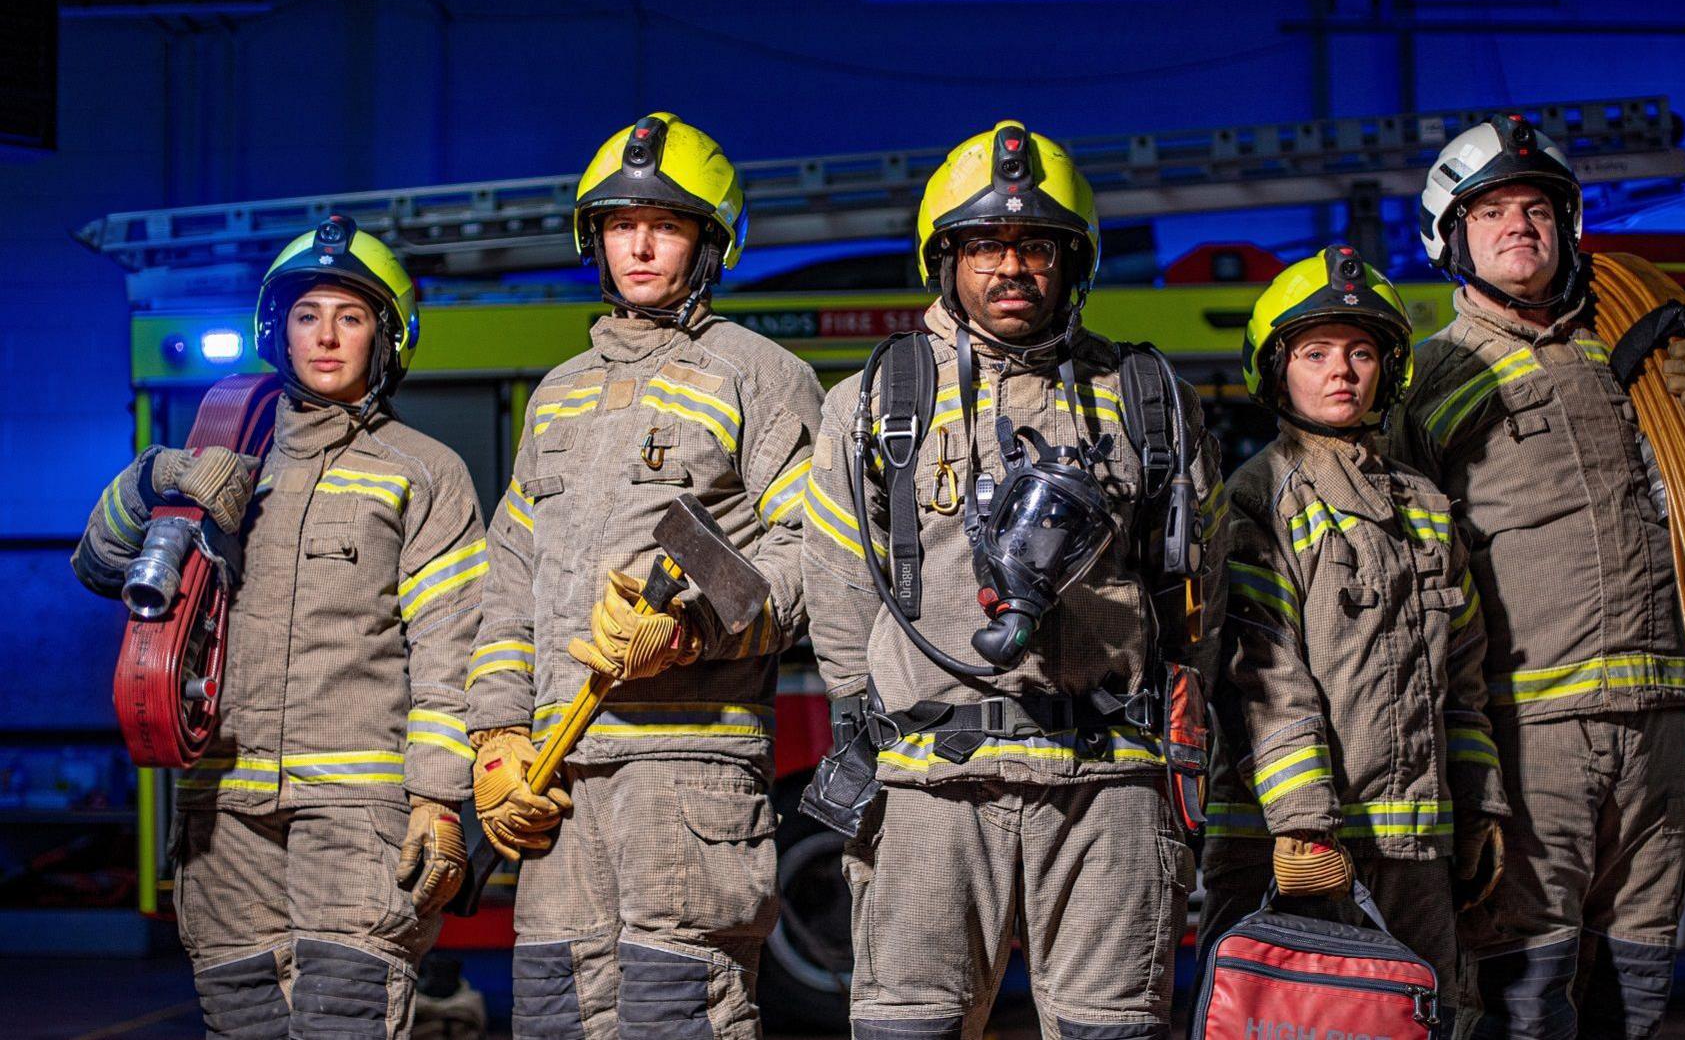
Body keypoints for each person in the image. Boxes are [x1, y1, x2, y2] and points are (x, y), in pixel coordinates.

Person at [801, 120, 1223, 1040]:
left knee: (1115, 1027)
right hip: (927, 790)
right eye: (984, 244)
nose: (1011, 266)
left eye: (1036, 244)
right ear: (944, 261)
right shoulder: (877, 399)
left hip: (1108, 784)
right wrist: (876, 714)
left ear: (1074, 262)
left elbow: (1199, 591)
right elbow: (836, 588)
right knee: (912, 1026)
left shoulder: (1149, 397)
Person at [1398, 114, 1685, 1038]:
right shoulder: (1430, 379)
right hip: (1531, 734)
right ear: (1450, 238)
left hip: (1659, 723)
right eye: (1492, 211)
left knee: (1640, 989)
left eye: (1536, 206)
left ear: (1568, 224)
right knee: (1526, 999)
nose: (1519, 226)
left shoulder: (1643, 355)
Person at [74, 215, 484, 1038]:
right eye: (306, 315)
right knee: (243, 1024)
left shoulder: (424, 472)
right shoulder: (223, 455)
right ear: (278, 330)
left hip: (357, 817)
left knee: (345, 1021)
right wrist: (157, 477)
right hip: (222, 812)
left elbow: (453, 644)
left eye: (351, 315)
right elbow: (97, 566)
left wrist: (440, 796)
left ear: (387, 336)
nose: (326, 336)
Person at [461, 112, 822, 1040]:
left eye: (666, 225)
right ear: (596, 239)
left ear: (711, 241)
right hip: (559, 775)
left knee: (677, 1017)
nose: (641, 245)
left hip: (687, 774)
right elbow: (509, 582)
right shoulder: (559, 393)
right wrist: (498, 739)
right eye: (621, 225)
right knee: (553, 1015)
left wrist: (695, 625)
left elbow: (815, 556)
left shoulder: (761, 377)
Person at [1198, 246, 1506, 1024]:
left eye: (1362, 351)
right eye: (1316, 352)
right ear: (1277, 372)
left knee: (1424, 1020)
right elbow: (1259, 669)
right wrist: (1301, 820)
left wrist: (1479, 807)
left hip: (1417, 853)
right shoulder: (1258, 497)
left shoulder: (1428, 508)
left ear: (1389, 371)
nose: (1342, 370)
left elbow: (1462, 682)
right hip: (1294, 850)